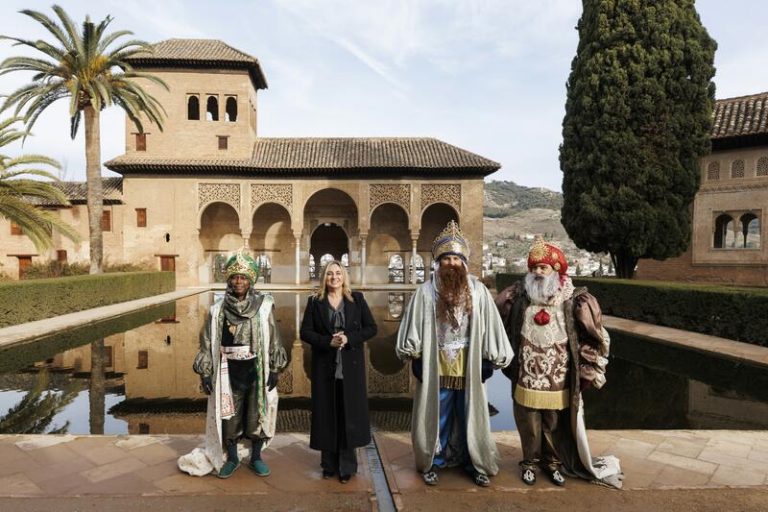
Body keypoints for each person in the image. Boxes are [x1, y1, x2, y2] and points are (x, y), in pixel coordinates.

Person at [495, 235, 623, 488]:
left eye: (543, 267)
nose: (538, 272)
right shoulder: (519, 297)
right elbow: (501, 325)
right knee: (528, 420)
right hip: (527, 372)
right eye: (533, 268)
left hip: (558, 372)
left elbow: (589, 335)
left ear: (556, 270)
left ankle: (552, 464)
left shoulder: (573, 299)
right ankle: (529, 462)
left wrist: (587, 367)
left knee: (553, 420)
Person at [395, 220, 513, 487]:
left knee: (471, 414)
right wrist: (415, 357)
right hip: (436, 366)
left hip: (469, 367)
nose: (451, 263)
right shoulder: (426, 293)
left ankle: (473, 462)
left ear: (464, 262)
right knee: (438, 416)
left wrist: (489, 359)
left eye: (456, 258)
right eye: (446, 258)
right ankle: (433, 461)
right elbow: (412, 327)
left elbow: (491, 327)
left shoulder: (478, 292)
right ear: (438, 262)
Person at [178, 249, 287, 478]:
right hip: (228, 371)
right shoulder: (218, 308)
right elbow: (207, 340)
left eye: (243, 277)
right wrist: (205, 372)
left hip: (256, 369)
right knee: (229, 415)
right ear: (229, 279)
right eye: (235, 277)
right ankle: (234, 458)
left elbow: (274, 336)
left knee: (257, 414)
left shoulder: (264, 305)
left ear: (250, 280)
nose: (239, 281)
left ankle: (256, 457)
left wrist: (275, 368)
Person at [300, 260, 378, 483]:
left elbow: (371, 328)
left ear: (344, 276)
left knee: (348, 415)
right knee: (326, 414)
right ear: (324, 277)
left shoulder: (357, 300)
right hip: (325, 367)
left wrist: (349, 338)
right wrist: (327, 341)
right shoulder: (315, 302)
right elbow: (305, 332)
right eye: (329, 274)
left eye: (338, 273)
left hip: (350, 369)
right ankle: (328, 465)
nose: (334, 277)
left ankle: (347, 467)